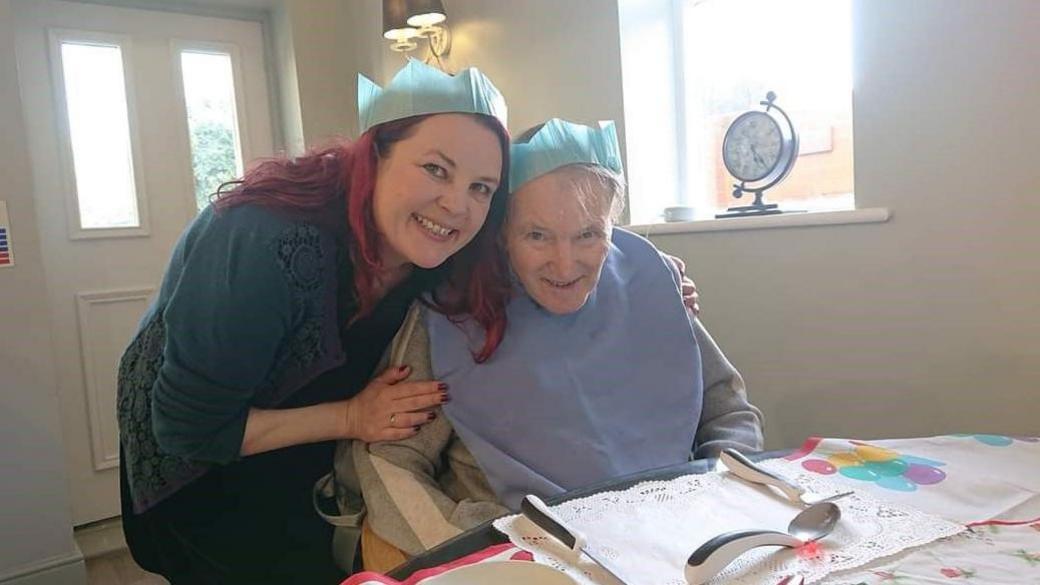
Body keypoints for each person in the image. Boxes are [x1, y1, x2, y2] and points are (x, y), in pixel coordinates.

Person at [116, 59, 512, 584]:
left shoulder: (433, 256)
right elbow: (189, 427)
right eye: (436, 169)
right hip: (195, 471)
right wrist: (351, 417)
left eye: (481, 187)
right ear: (374, 156)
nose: (457, 205)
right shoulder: (265, 240)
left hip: (297, 460)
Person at [349, 119, 764, 570]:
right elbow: (390, 462)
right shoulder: (449, 314)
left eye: (589, 234)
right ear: (502, 233)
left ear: (613, 227)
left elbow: (728, 410)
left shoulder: (653, 280)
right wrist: (482, 542)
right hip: (529, 561)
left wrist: (721, 492)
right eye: (537, 235)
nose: (565, 264)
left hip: (681, 541)